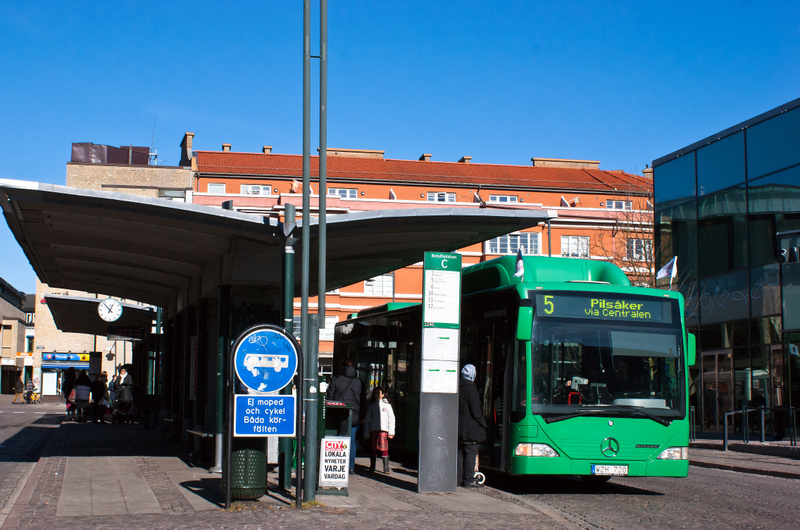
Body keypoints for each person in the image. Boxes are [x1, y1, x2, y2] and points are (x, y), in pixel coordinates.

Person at [326, 360, 364, 472]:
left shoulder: (336, 379)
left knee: (336, 439)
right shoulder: (359, 382)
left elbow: (330, 397)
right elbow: (362, 401)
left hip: (337, 413)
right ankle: (350, 466)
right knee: (351, 441)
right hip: (353, 415)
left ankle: (337, 464)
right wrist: (362, 416)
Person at [458, 364, 488, 488]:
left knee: (460, 453)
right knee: (470, 453)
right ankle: (469, 479)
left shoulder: (459, 387)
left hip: (459, 428)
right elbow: (476, 411)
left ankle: (458, 479)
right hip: (470, 429)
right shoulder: (472, 390)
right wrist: (483, 423)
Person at [363, 386, 395, 473]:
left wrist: (391, 432)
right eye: (375, 393)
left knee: (384, 448)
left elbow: (391, 419)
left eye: (379, 393)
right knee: (373, 448)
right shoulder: (372, 406)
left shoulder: (387, 406)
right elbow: (367, 420)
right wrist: (366, 433)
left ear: (383, 395)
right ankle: (372, 465)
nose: (377, 395)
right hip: (373, 430)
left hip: (383, 430)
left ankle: (386, 466)